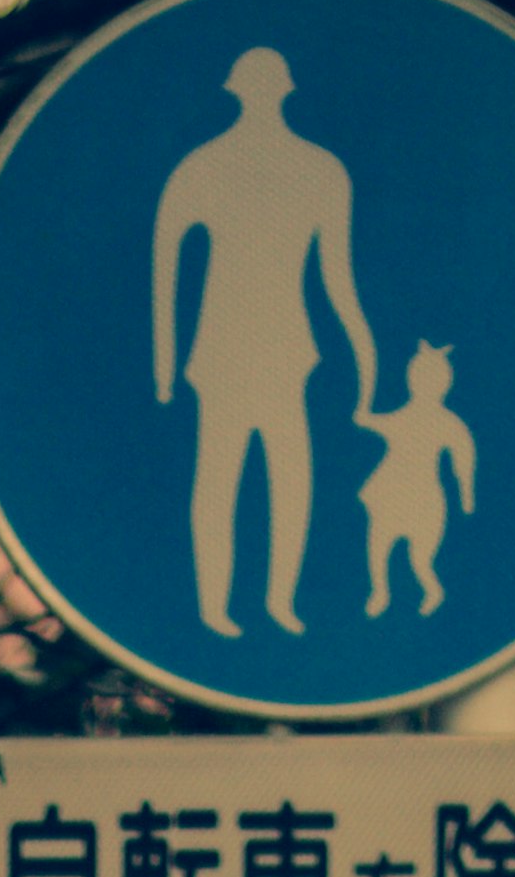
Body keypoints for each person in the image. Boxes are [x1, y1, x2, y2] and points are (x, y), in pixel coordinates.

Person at [149, 47, 378, 642]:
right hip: (232, 353)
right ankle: (227, 608)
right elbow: (166, 266)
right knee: (251, 478)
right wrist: (164, 366)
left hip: (277, 353)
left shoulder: (310, 171)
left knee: (265, 477)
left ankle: (266, 605)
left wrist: (364, 357)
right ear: (282, 90)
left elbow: (336, 279)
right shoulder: (229, 167)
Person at [357, 346, 476, 617]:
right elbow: (378, 423)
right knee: (379, 545)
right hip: (390, 490)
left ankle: (433, 591)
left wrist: (467, 496)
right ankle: (380, 592)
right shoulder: (404, 415)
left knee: (420, 558)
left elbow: (463, 458)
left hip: (424, 496)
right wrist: (364, 416)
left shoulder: (447, 422)